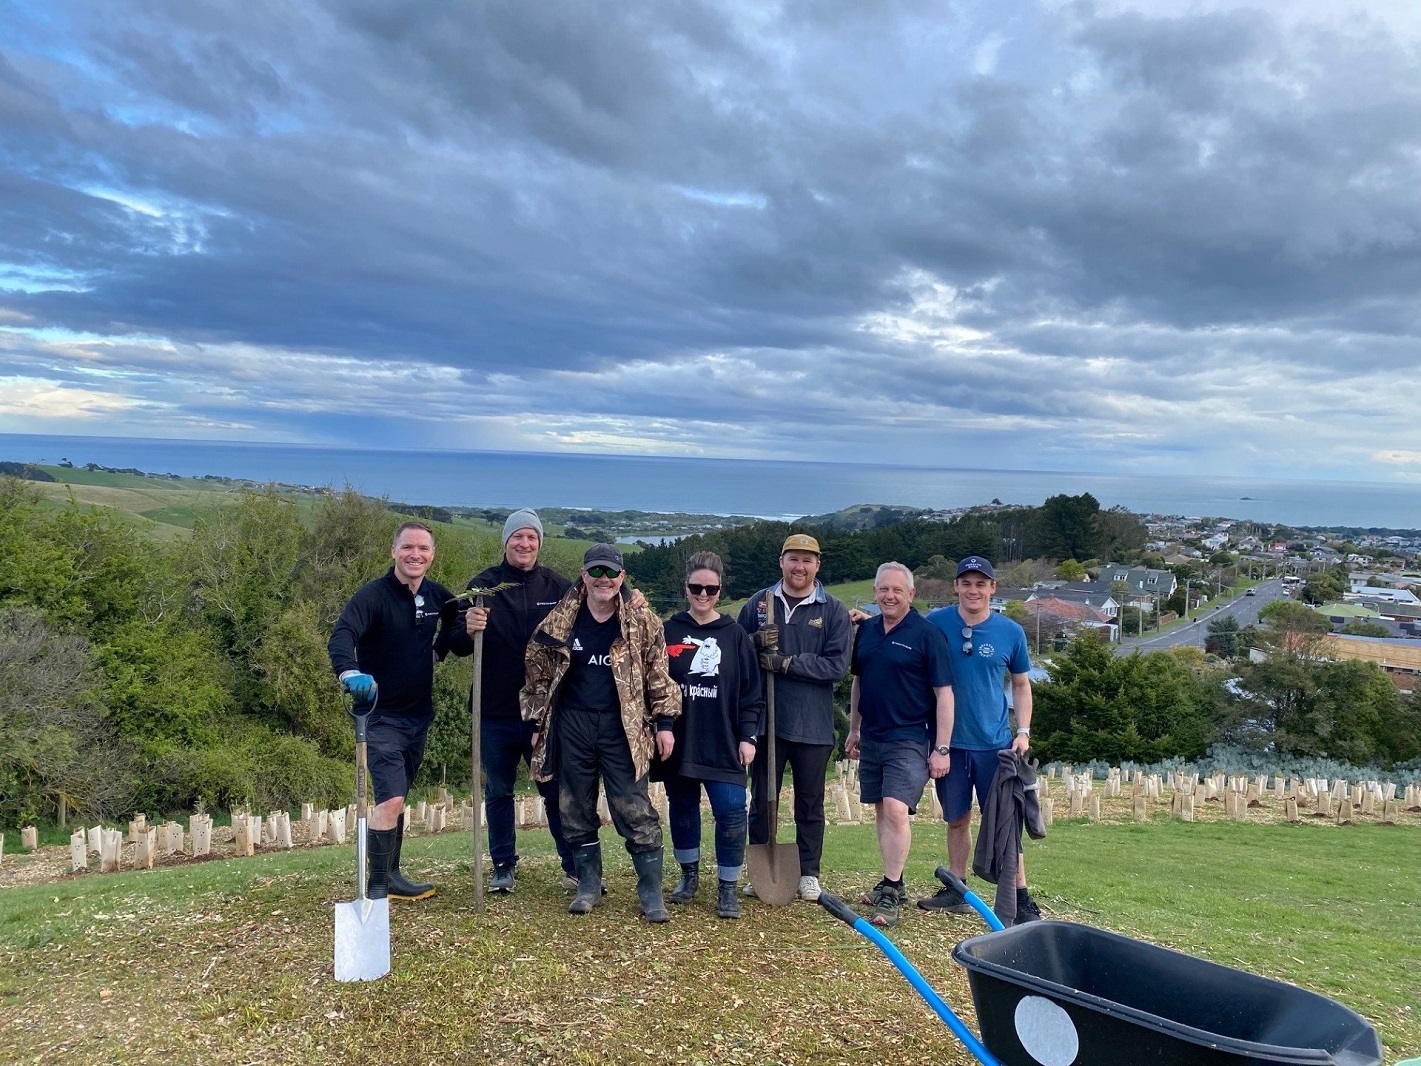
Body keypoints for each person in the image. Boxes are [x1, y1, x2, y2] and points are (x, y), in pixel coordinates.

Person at [520, 544, 682, 921]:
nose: (603, 580)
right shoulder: (560, 621)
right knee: (573, 805)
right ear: (583, 574)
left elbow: (659, 676)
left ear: (622, 578)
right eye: (596, 572)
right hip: (572, 723)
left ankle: (650, 893)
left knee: (633, 807)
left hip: (622, 727)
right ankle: (588, 885)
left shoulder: (643, 622)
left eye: (611, 573)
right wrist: (536, 723)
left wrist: (666, 724)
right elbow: (537, 674)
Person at [328, 521, 461, 901]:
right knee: (391, 798)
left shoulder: (438, 597)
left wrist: (442, 649)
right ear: (393, 551)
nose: (415, 554)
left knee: (399, 796)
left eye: (423, 548)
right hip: (380, 715)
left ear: (432, 555)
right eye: (408, 547)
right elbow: (343, 634)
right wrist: (349, 671)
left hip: (419, 716)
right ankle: (377, 888)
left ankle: (394, 874)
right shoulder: (373, 596)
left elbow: (456, 619)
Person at [447, 509, 576, 895]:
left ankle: (573, 865)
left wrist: (630, 596)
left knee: (552, 789)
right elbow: (454, 644)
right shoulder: (482, 588)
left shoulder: (558, 587)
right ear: (505, 542)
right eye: (517, 537)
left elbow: (593, 615)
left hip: (543, 713)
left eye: (531, 537)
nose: (525, 544)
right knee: (499, 791)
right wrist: (468, 630)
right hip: (494, 712)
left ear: (539, 542)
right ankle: (503, 866)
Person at [919, 555, 1041, 923]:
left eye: (980, 583)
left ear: (992, 589)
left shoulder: (1010, 631)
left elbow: (1021, 685)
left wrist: (1023, 732)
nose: (973, 590)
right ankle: (957, 889)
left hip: (995, 745)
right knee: (956, 819)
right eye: (966, 582)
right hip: (949, 745)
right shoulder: (935, 624)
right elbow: (899, 634)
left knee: (1004, 822)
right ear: (955, 586)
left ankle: (1020, 897)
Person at [736, 533, 852, 903]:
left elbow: (836, 666)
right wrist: (753, 644)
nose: (799, 567)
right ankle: (760, 868)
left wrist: (786, 663)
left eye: (807, 560)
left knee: (809, 802)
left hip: (813, 724)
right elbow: (736, 652)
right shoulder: (759, 604)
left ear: (817, 565)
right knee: (762, 799)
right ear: (781, 562)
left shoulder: (831, 610)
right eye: (793, 559)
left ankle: (808, 872)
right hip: (768, 722)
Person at [844, 562, 954, 928]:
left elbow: (944, 694)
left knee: (895, 807)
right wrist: (854, 728)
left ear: (911, 594)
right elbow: (859, 682)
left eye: (897, 590)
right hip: (873, 734)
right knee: (881, 808)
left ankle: (890, 890)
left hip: (910, 735)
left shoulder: (927, 635)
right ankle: (896, 880)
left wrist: (942, 748)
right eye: (883, 589)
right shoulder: (868, 631)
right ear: (875, 593)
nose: (889, 596)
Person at [658, 551, 763, 919]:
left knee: (733, 812)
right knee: (683, 809)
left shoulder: (734, 636)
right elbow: (656, 686)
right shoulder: (668, 631)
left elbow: (752, 694)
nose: (703, 594)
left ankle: (728, 887)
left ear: (720, 591)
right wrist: (662, 726)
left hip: (724, 742)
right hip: (681, 740)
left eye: (711, 589)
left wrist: (749, 737)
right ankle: (689, 877)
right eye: (696, 587)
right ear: (686, 588)